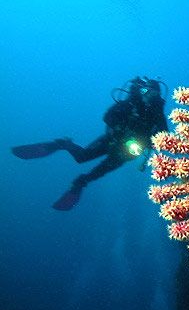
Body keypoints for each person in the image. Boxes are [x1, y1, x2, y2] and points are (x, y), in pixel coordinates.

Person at [12, 76, 168, 210]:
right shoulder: (129, 104)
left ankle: (80, 183)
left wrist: (147, 142)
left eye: (153, 93)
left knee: (100, 171)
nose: (149, 96)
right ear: (140, 91)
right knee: (81, 157)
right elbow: (108, 116)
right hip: (111, 140)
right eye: (146, 92)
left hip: (128, 152)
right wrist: (119, 129)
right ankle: (63, 144)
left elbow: (164, 138)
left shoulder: (157, 112)